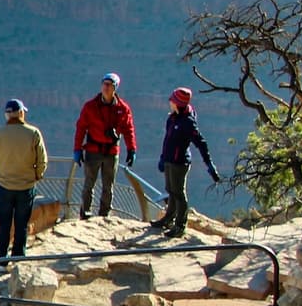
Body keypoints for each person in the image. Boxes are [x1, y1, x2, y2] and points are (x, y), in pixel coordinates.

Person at [150, 87, 221, 236]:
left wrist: (209, 164)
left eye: (172, 100)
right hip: (169, 160)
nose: (170, 101)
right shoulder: (172, 118)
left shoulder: (188, 122)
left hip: (180, 163)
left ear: (178, 103)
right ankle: (168, 219)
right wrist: (163, 158)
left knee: (179, 193)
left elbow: (201, 143)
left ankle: (180, 225)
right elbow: (167, 141)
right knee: (170, 190)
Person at [0, 98, 47, 258]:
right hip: (26, 187)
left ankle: (1, 259)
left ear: (7, 115)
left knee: (4, 224)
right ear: (20, 113)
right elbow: (42, 160)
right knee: (22, 224)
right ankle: (18, 256)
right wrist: (37, 175)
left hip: (4, 186)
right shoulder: (33, 133)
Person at [73, 72, 137, 219]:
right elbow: (81, 128)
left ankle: (104, 214)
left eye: (109, 85)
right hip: (93, 150)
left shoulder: (123, 108)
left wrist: (131, 149)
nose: (106, 87)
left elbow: (129, 130)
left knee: (108, 185)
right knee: (89, 184)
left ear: (115, 88)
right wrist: (77, 149)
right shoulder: (90, 106)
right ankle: (85, 213)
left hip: (111, 151)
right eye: (104, 84)